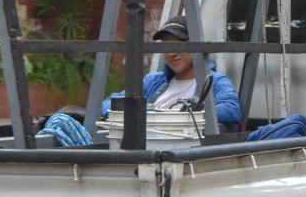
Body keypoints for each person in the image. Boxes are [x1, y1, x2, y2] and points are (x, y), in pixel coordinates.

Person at [101, 15, 242, 127]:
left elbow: (232, 110)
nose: (171, 53)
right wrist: (139, 113)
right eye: (166, 46)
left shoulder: (214, 81)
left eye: (178, 44)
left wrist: (179, 116)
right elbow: (109, 104)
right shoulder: (153, 81)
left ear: (197, 44)